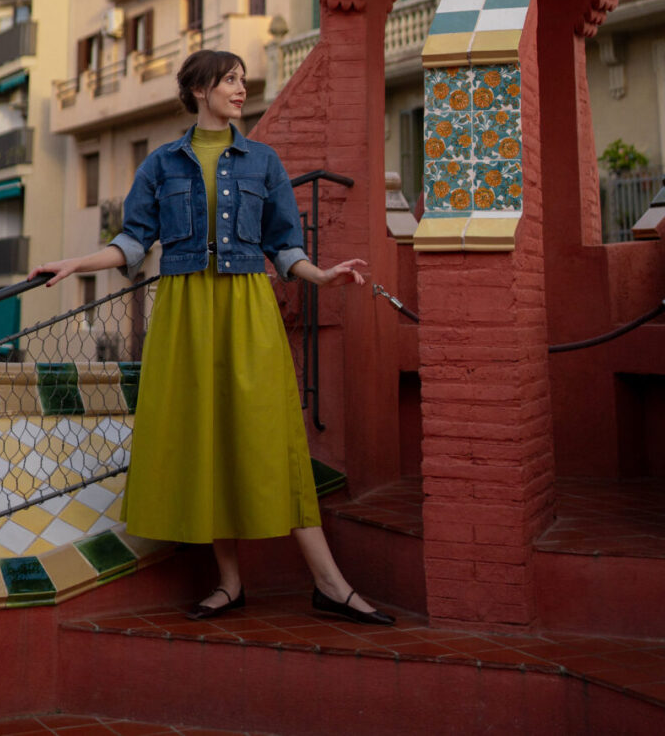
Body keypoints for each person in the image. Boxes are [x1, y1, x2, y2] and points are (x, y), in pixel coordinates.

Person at [30, 47, 394, 624]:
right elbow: (132, 243)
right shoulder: (160, 165)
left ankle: (329, 581)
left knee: (270, 435)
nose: (241, 89)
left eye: (243, 80)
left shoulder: (263, 163)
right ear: (200, 89)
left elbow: (284, 243)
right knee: (205, 437)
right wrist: (75, 264)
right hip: (183, 312)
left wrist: (321, 275)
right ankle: (230, 583)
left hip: (247, 305)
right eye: (230, 80)